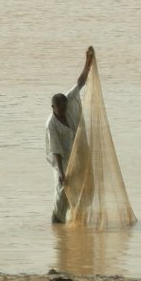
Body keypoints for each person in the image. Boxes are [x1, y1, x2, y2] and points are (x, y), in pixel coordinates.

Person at [45, 46, 94, 223]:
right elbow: (55, 150)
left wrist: (88, 63)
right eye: (61, 110)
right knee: (62, 193)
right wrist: (60, 171)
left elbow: (80, 83)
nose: (64, 112)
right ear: (53, 108)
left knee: (83, 190)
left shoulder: (67, 100)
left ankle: (76, 224)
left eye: (66, 109)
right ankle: (57, 222)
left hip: (78, 155)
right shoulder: (51, 124)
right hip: (63, 161)